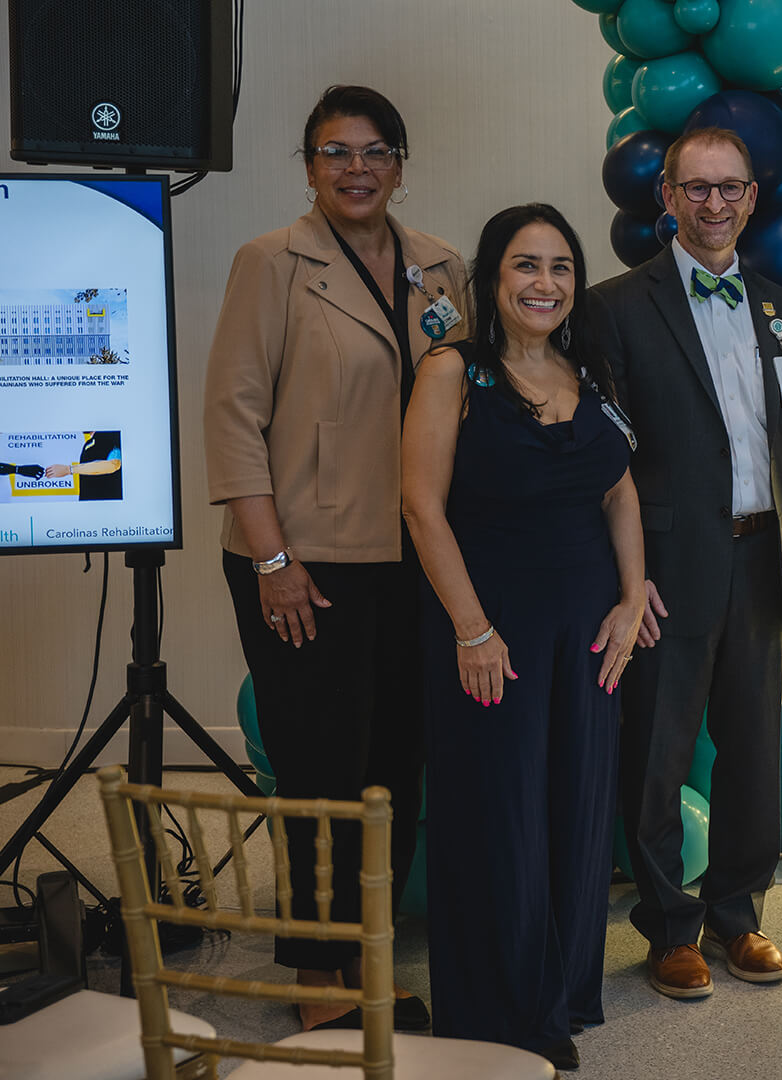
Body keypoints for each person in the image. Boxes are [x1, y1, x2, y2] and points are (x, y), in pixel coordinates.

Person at [203, 84, 462, 1032]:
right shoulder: (270, 262)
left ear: (400, 163)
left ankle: (369, 959)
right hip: (303, 561)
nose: (357, 169)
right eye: (335, 152)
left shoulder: (443, 267)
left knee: (393, 769)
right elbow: (232, 416)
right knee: (319, 770)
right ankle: (318, 976)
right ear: (309, 167)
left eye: (374, 151)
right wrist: (271, 561)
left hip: (412, 557)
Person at [581, 127, 782, 1000]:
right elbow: (604, 462)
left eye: (730, 187)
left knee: (754, 754)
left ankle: (738, 915)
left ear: (752, 198)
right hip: (665, 568)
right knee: (657, 755)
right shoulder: (616, 307)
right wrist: (626, 579)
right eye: (696, 187)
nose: (714, 203)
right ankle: (668, 929)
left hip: (767, 559)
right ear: (668, 197)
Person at [402, 204, 660, 1070]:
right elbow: (420, 506)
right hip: (492, 630)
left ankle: (562, 992)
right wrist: (471, 628)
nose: (544, 283)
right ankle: (503, 1012)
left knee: (577, 808)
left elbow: (619, 490)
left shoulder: (589, 371)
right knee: (499, 812)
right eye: (525, 265)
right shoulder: (453, 370)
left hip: (586, 630)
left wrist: (632, 596)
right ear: (492, 276)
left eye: (560, 267)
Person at [44, 430, 122, 500]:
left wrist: (69, 470)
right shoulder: (89, 443)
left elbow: (114, 464)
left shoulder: (109, 435)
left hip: (108, 503)